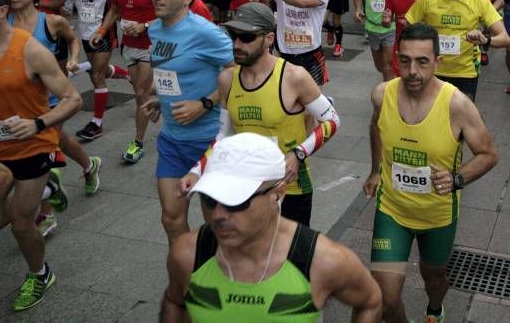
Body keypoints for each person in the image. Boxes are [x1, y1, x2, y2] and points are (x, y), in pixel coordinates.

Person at [161, 133, 382, 322]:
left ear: (278, 193)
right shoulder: (187, 253)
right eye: (209, 199)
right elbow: (174, 300)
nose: (218, 215)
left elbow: (370, 301)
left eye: (237, 202)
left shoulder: (323, 260)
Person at [363, 23, 499, 323]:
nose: (412, 70)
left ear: (438, 62)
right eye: (406, 60)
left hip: (437, 215)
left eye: (422, 61)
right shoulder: (382, 94)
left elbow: (489, 154)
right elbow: (376, 126)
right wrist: (375, 170)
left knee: (434, 279)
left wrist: (456, 179)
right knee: (384, 300)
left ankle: (435, 309)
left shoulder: (457, 105)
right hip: (392, 210)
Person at [180, 2, 341, 226]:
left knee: (289, 258)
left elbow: (332, 121)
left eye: (246, 37)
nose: (237, 44)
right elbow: (223, 137)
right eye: (233, 35)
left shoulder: (294, 77)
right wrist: (196, 171)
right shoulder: (227, 79)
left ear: (269, 39)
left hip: (290, 188)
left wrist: (298, 154)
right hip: (245, 185)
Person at [0, 0, 82, 311]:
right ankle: (44, 191)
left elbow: (72, 99)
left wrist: (37, 123)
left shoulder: (30, 49)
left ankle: (39, 273)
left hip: (33, 146)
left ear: (1, 11)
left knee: (22, 224)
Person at [5, 0, 101, 235]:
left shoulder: (50, 22)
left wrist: (71, 58)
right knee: (57, 141)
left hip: (54, 97)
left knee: (41, 149)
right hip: (21, 101)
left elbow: (73, 40)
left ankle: (46, 214)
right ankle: (89, 164)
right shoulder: (5, 23)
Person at [142, 0, 233, 243]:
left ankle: (221, 275)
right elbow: (173, 70)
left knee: (218, 222)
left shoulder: (206, 33)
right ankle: (184, 276)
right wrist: (164, 98)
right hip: (172, 139)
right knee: (170, 217)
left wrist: (205, 103)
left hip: (208, 141)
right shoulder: (155, 29)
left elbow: (238, 72)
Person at [405, 0, 510, 101]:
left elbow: (505, 38)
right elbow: (407, 30)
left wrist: (485, 40)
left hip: (465, 74)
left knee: (460, 121)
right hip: (432, 72)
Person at [91, 0, 157, 163]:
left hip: (150, 45)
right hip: (129, 46)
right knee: (142, 89)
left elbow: (169, 14)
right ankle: (166, 93)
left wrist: (145, 25)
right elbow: (115, 11)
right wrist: (101, 31)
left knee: (140, 93)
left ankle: (137, 142)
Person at [68, 0, 125, 142]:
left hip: (103, 30)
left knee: (97, 76)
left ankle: (97, 123)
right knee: (95, 68)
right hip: (84, 29)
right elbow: (71, 0)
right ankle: (128, 75)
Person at [252, 0, 330, 87]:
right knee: (285, 98)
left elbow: (302, 2)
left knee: (310, 99)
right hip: (284, 55)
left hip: (310, 55)